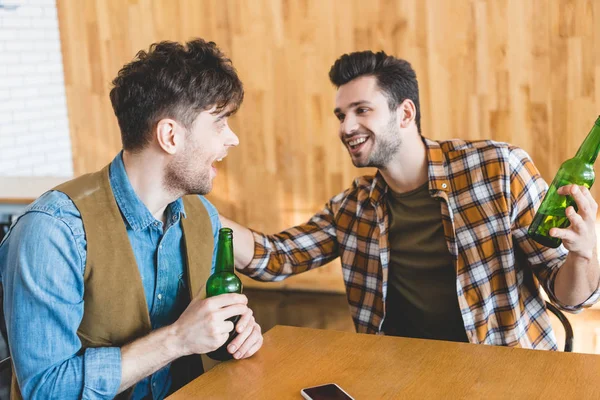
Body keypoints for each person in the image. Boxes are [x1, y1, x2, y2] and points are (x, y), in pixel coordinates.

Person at [221, 50, 600, 350]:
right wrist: (199, 211)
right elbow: (276, 257)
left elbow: (568, 295)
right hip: (401, 378)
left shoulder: (499, 170)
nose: (345, 127)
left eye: (361, 110)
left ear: (405, 113)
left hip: (507, 379)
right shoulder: (353, 208)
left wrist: (584, 255)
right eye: (340, 115)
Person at [0, 39, 263, 400]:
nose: (232, 139)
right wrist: (177, 339)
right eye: (219, 122)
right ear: (170, 136)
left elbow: (202, 336)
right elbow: (46, 391)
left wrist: (230, 335)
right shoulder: (54, 231)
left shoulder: (204, 217)